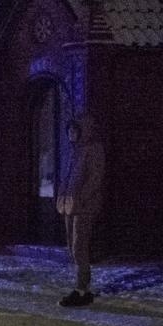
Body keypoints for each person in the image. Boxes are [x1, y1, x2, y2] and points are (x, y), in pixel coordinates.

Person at [55, 113, 106, 307]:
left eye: (74, 130)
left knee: (79, 246)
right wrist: (62, 194)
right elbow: (66, 177)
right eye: (69, 130)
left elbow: (95, 177)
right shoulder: (74, 151)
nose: (71, 134)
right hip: (70, 205)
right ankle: (81, 287)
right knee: (72, 247)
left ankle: (82, 290)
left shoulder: (93, 149)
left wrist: (81, 197)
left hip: (84, 206)